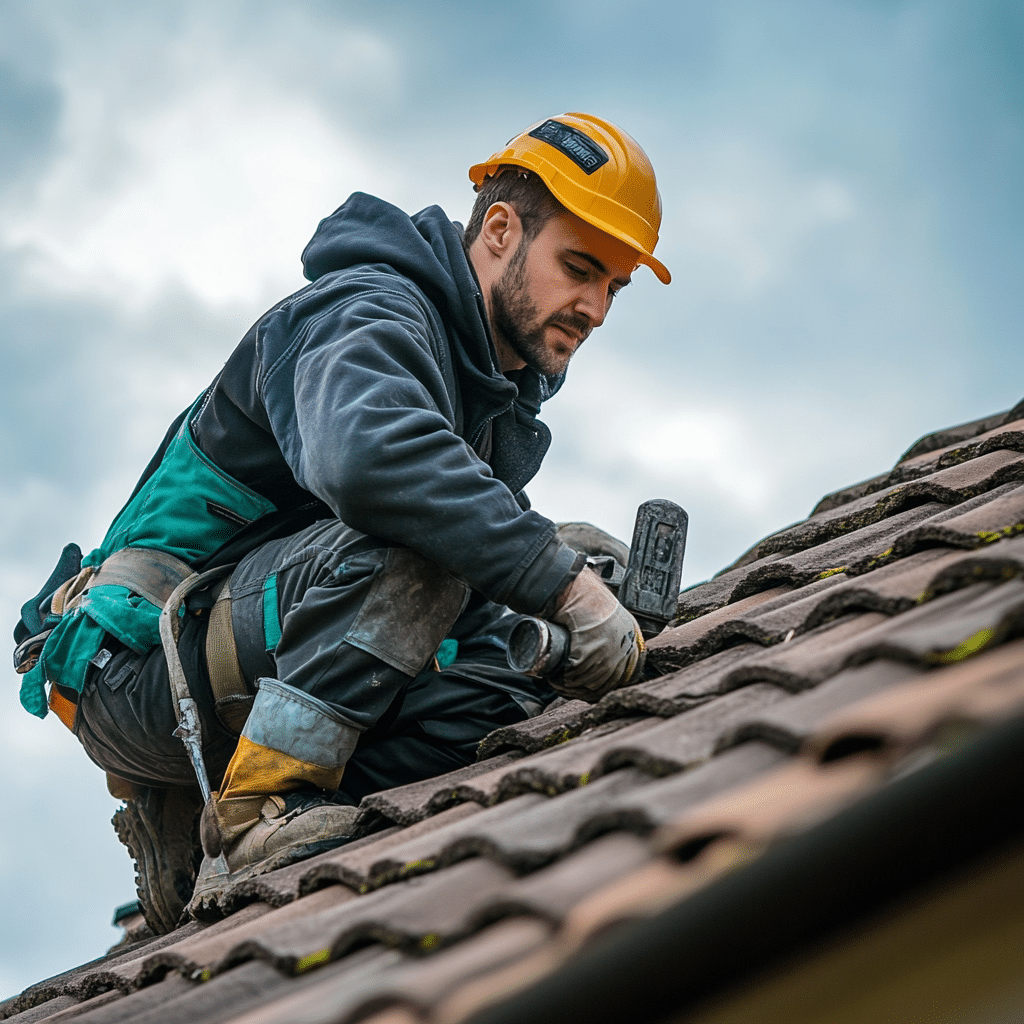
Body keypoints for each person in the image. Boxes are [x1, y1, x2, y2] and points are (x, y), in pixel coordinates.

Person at [13, 112, 671, 927]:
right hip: (138, 670)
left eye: (615, 286)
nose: (597, 307)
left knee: (510, 681)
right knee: (430, 546)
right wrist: (559, 582)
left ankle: (201, 828)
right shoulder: (367, 313)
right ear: (500, 230)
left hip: (241, 659)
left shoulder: (481, 390)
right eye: (580, 268)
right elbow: (370, 465)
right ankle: (256, 816)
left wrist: (559, 589)